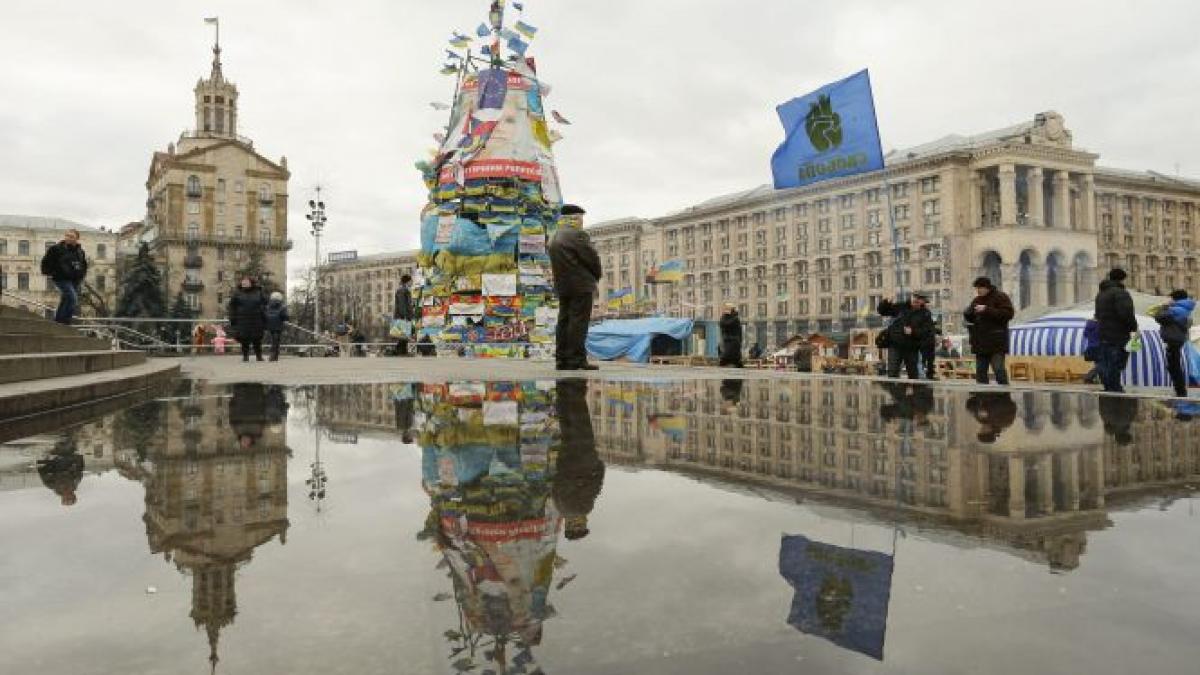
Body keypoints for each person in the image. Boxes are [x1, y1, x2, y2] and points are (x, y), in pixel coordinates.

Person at [548, 204, 602, 371]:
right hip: (581, 284)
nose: (582, 222)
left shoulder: (554, 236)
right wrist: (596, 275)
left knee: (563, 321)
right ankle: (577, 360)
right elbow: (591, 258)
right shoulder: (577, 235)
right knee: (579, 323)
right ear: (575, 218)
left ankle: (562, 359)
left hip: (562, 285)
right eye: (580, 218)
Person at [552, 379, 605, 540]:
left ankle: (576, 388)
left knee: (581, 421)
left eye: (582, 525)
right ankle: (563, 387)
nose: (585, 521)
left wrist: (599, 466)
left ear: (577, 524)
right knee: (567, 423)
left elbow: (594, 487)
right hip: (566, 459)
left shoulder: (583, 508)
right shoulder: (559, 507)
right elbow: (554, 484)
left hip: (584, 460)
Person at [963, 276, 1015, 385]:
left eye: (980, 288)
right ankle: (982, 397)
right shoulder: (977, 300)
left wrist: (987, 309)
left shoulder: (1000, 297)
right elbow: (971, 318)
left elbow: (1008, 314)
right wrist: (968, 313)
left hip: (996, 342)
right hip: (980, 343)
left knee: (998, 369)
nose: (978, 290)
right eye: (977, 288)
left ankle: (1004, 396)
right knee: (980, 372)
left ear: (987, 287)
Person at [1094, 269, 1139, 393]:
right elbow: (1126, 313)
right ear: (1122, 279)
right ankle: (1115, 388)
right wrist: (1133, 327)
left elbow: (1097, 314)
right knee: (1117, 361)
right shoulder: (1120, 293)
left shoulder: (1101, 294)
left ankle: (1108, 386)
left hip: (1103, 333)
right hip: (1118, 334)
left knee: (1106, 361)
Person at [877, 294, 934, 379]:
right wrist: (886, 302)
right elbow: (883, 311)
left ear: (923, 302)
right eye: (915, 298)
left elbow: (927, 331)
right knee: (892, 373)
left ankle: (915, 391)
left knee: (913, 374)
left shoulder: (925, 314)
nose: (917, 301)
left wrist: (913, 332)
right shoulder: (901, 306)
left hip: (911, 347)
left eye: (920, 299)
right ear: (911, 298)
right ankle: (896, 391)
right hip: (895, 345)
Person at [40, 228, 88, 324]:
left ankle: (58, 321)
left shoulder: (80, 251)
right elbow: (45, 262)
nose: (68, 238)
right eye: (67, 236)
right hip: (61, 278)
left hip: (75, 280)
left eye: (71, 236)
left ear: (77, 239)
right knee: (72, 298)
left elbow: (83, 265)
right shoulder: (56, 249)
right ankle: (65, 322)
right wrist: (51, 272)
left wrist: (81, 275)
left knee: (65, 299)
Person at [1153, 289, 1195, 398]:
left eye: (1171, 297)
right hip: (1177, 338)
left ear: (1176, 298)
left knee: (1174, 366)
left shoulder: (1176, 310)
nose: (1170, 299)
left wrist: (1164, 307)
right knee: (1173, 365)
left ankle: (1181, 391)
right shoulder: (1185, 309)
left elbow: (1159, 317)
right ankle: (1180, 390)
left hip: (1173, 339)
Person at [227, 276, 268, 363]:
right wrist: (232, 317)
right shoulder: (237, 293)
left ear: (251, 283)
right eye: (243, 282)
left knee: (257, 339)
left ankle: (259, 356)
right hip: (242, 319)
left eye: (246, 281)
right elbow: (231, 306)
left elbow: (265, 302)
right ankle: (245, 356)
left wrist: (262, 310)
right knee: (244, 339)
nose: (244, 283)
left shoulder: (258, 292)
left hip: (256, 319)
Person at [393, 274, 415, 357]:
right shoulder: (402, 290)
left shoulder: (404, 289)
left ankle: (402, 351)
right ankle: (401, 352)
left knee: (404, 334)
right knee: (403, 335)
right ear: (407, 281)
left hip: (403, 315)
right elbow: (402, 304)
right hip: (402, 316)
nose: (412, 282)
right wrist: (405, 316)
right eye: (411, 281)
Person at [265, 291, 289, 362]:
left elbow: (264, 315)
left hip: (269, 326)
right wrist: (286, 319)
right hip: (278, 326)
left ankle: (273, 356)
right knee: (276, 341)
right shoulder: (282, 307)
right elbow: (285, 316)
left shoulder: (268, 306)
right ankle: (274, 356)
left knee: (272, 340)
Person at [1081, 310, 1102, 384]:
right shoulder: (1100, 325)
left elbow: (1085, 334)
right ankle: (1089, 376)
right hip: (1099, 348)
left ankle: (1097, 379)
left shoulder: (1089, 324)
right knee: (1103, 364)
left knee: (1098, 364)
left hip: (1091, 348)